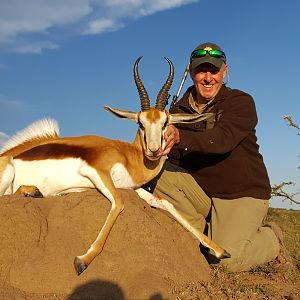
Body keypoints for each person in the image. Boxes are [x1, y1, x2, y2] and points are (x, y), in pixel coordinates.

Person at [147, 42, 291, 272]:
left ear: (224, 71)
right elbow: (174, 162)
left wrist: (180, 137)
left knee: (227, 263)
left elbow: (223, 139)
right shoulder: (176, 112)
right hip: (204, 195)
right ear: (192, 72)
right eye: (201, 70)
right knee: (158, 173)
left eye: (214, 70)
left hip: (241, 194)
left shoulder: (240, 102)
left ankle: (272, 238)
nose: (208, 78)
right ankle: (196, 239)